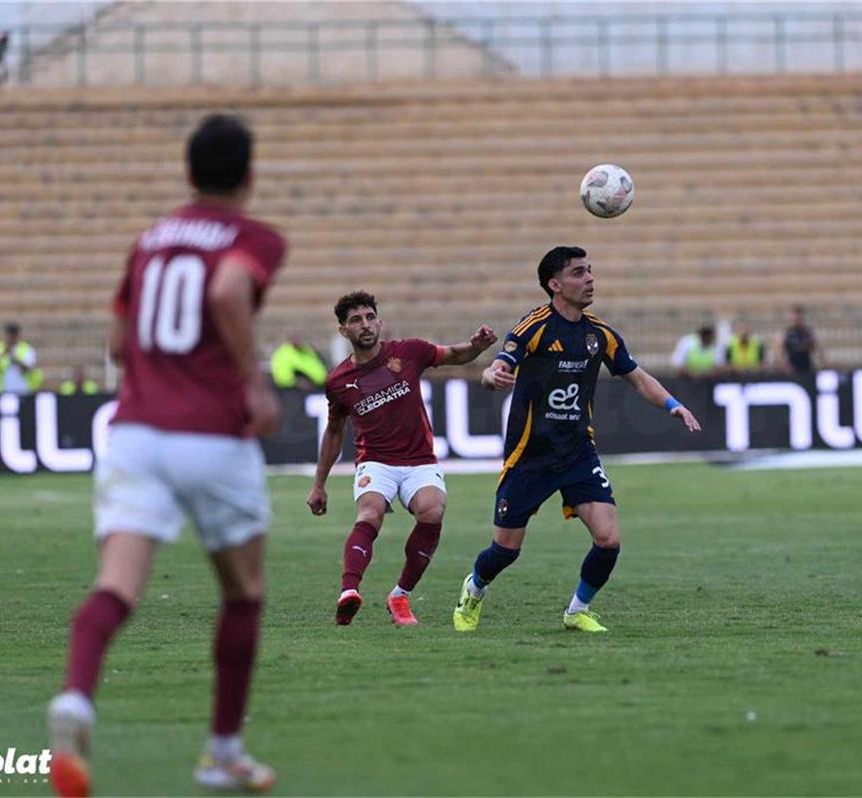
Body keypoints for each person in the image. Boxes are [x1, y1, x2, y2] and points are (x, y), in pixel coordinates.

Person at [46, 114, 287, 797]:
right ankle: (222, 753)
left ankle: (76, 697)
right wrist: (252, 381)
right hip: (212, 435)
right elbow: (227, 289)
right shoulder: (254, 237)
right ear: (249, 175)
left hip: (136, 434)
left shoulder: (148, 241)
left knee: (116, 586)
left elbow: (118, 344)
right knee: (243, 591)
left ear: (187, 173)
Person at [452, 246, 701, 634]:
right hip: (530, 455)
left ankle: (577, 610)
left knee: (608, 539)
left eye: (590, 271)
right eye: (579, 273)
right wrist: (491, 377)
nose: (590, 279)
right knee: (505, 552)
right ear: (555, 284)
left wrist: (673, 405)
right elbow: (498, 367)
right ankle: (475, 588)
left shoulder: (599, 334)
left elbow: (637, 377)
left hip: (577, 452)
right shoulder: (534, 326)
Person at [307, 290, 497, 626]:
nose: (365, 324)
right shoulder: (338, 381)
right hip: (375, 461)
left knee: (432, 510)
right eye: (356, 320)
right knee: (370, 512)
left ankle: (400, 595)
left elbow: (454, 354)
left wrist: (476, 347)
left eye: (370, 317)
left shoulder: (408, 352)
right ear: (344, 331)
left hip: (419, 460)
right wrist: (319, 484)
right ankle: (348, 592)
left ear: (379, 322)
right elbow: (334, 430)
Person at [0, 322, 41, 394]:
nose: (11, 338)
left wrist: (14, 358)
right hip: (0, 391)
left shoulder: (26, 349)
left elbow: (29, 370)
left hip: (22, 390)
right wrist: (1, 357)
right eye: (9, 335)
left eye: (13, 335)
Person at [779, 304, 826, 375]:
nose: (797, 319)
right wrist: (785, 367)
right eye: (795, 317)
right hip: (792, 370)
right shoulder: (786, 334)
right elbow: (780, 353)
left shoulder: (808, 333)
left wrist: (823, 364)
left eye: (799, 317)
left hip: (807, 368)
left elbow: (818, 350)